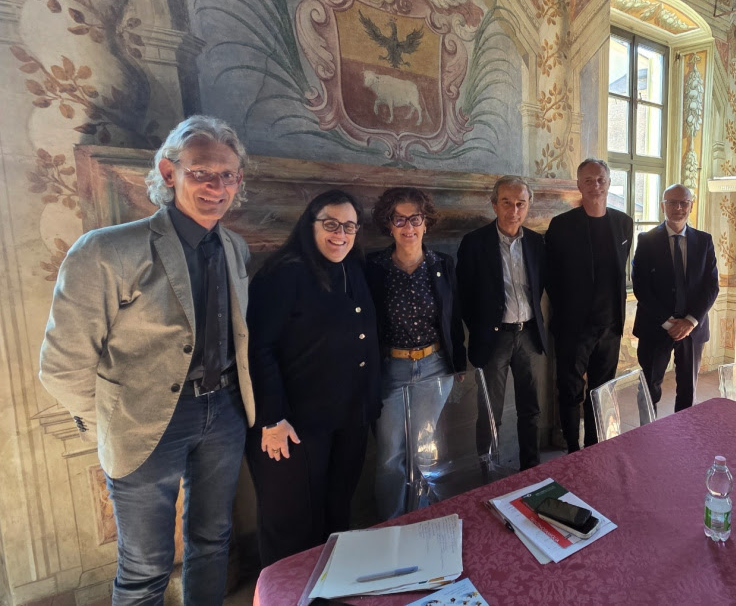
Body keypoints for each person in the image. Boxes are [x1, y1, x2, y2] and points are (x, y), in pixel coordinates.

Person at [39, 115, 255, 604]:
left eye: (227, 175)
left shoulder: (235, 248)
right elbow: (62, 365)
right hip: (143, 421)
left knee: (213, 542)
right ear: (169, 171)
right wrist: (113, 422)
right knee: (144, 567)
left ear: (238, 180)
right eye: (201, 172)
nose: (216, 186)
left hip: (223, 412)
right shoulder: (107, 250)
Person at [244, 189, 381, 567]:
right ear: (310, 225)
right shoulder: (282, 274)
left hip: (349, 416)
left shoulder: (353, 268)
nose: (341, 234)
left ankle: (327, 587)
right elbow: (258, 349)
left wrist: (369, 402)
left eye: (350, 226)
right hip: (293, 425)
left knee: (336, 513)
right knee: (291, 526)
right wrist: (272, 418)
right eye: (331, 224)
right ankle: (287, 592)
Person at [365, 187, 466, 520]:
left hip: (434, 365)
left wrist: (458, 364)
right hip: (390, 369)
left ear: (426, 223)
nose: (408, 227)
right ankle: (392, 525)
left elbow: (453, 317)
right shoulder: (374, 267)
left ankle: (419, 519)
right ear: (389, 224)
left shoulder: (442, 264)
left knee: (422, 452)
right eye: (399, 219)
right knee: (389, 456)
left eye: (415, 219)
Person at [457, 177, 548, 470]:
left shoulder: (536, 242)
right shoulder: (474, 243)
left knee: (531, 408)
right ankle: (488, 471)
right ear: (494, 204)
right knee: (490, 412)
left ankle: (531, 468)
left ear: (528, 206)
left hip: (529, 335)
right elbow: (464, 295)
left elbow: (539, 286)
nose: (514, 210)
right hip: (493, 339)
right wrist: (483, 328)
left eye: (521, 203)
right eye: (507, 202)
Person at [545, 158, 633, 452]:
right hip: (574, 328)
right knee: (570, 391)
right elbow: (551, 277)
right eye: (588, 180)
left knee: (601, 390)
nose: (595, 185)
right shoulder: (561, 225)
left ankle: (594, 448)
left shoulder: (624, 224)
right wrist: (568, 316)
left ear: (608, 183)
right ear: (579, 185)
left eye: (600, 180)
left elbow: (619, 273)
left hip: (610, 325)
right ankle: (573, 449)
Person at [632, 184, 719, 413]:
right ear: (663, 206)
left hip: (692, 329)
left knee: (688, 390)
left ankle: (683, 432)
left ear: (691, 205)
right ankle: (647, 431)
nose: (678, 208)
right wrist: (668, 322)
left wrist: (690, 321)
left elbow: (711, 286)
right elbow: (641, 286)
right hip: (655, 326)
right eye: (672, 202)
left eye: (684, 203)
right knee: (649, 387)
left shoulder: (704, 241)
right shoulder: (646, 240)